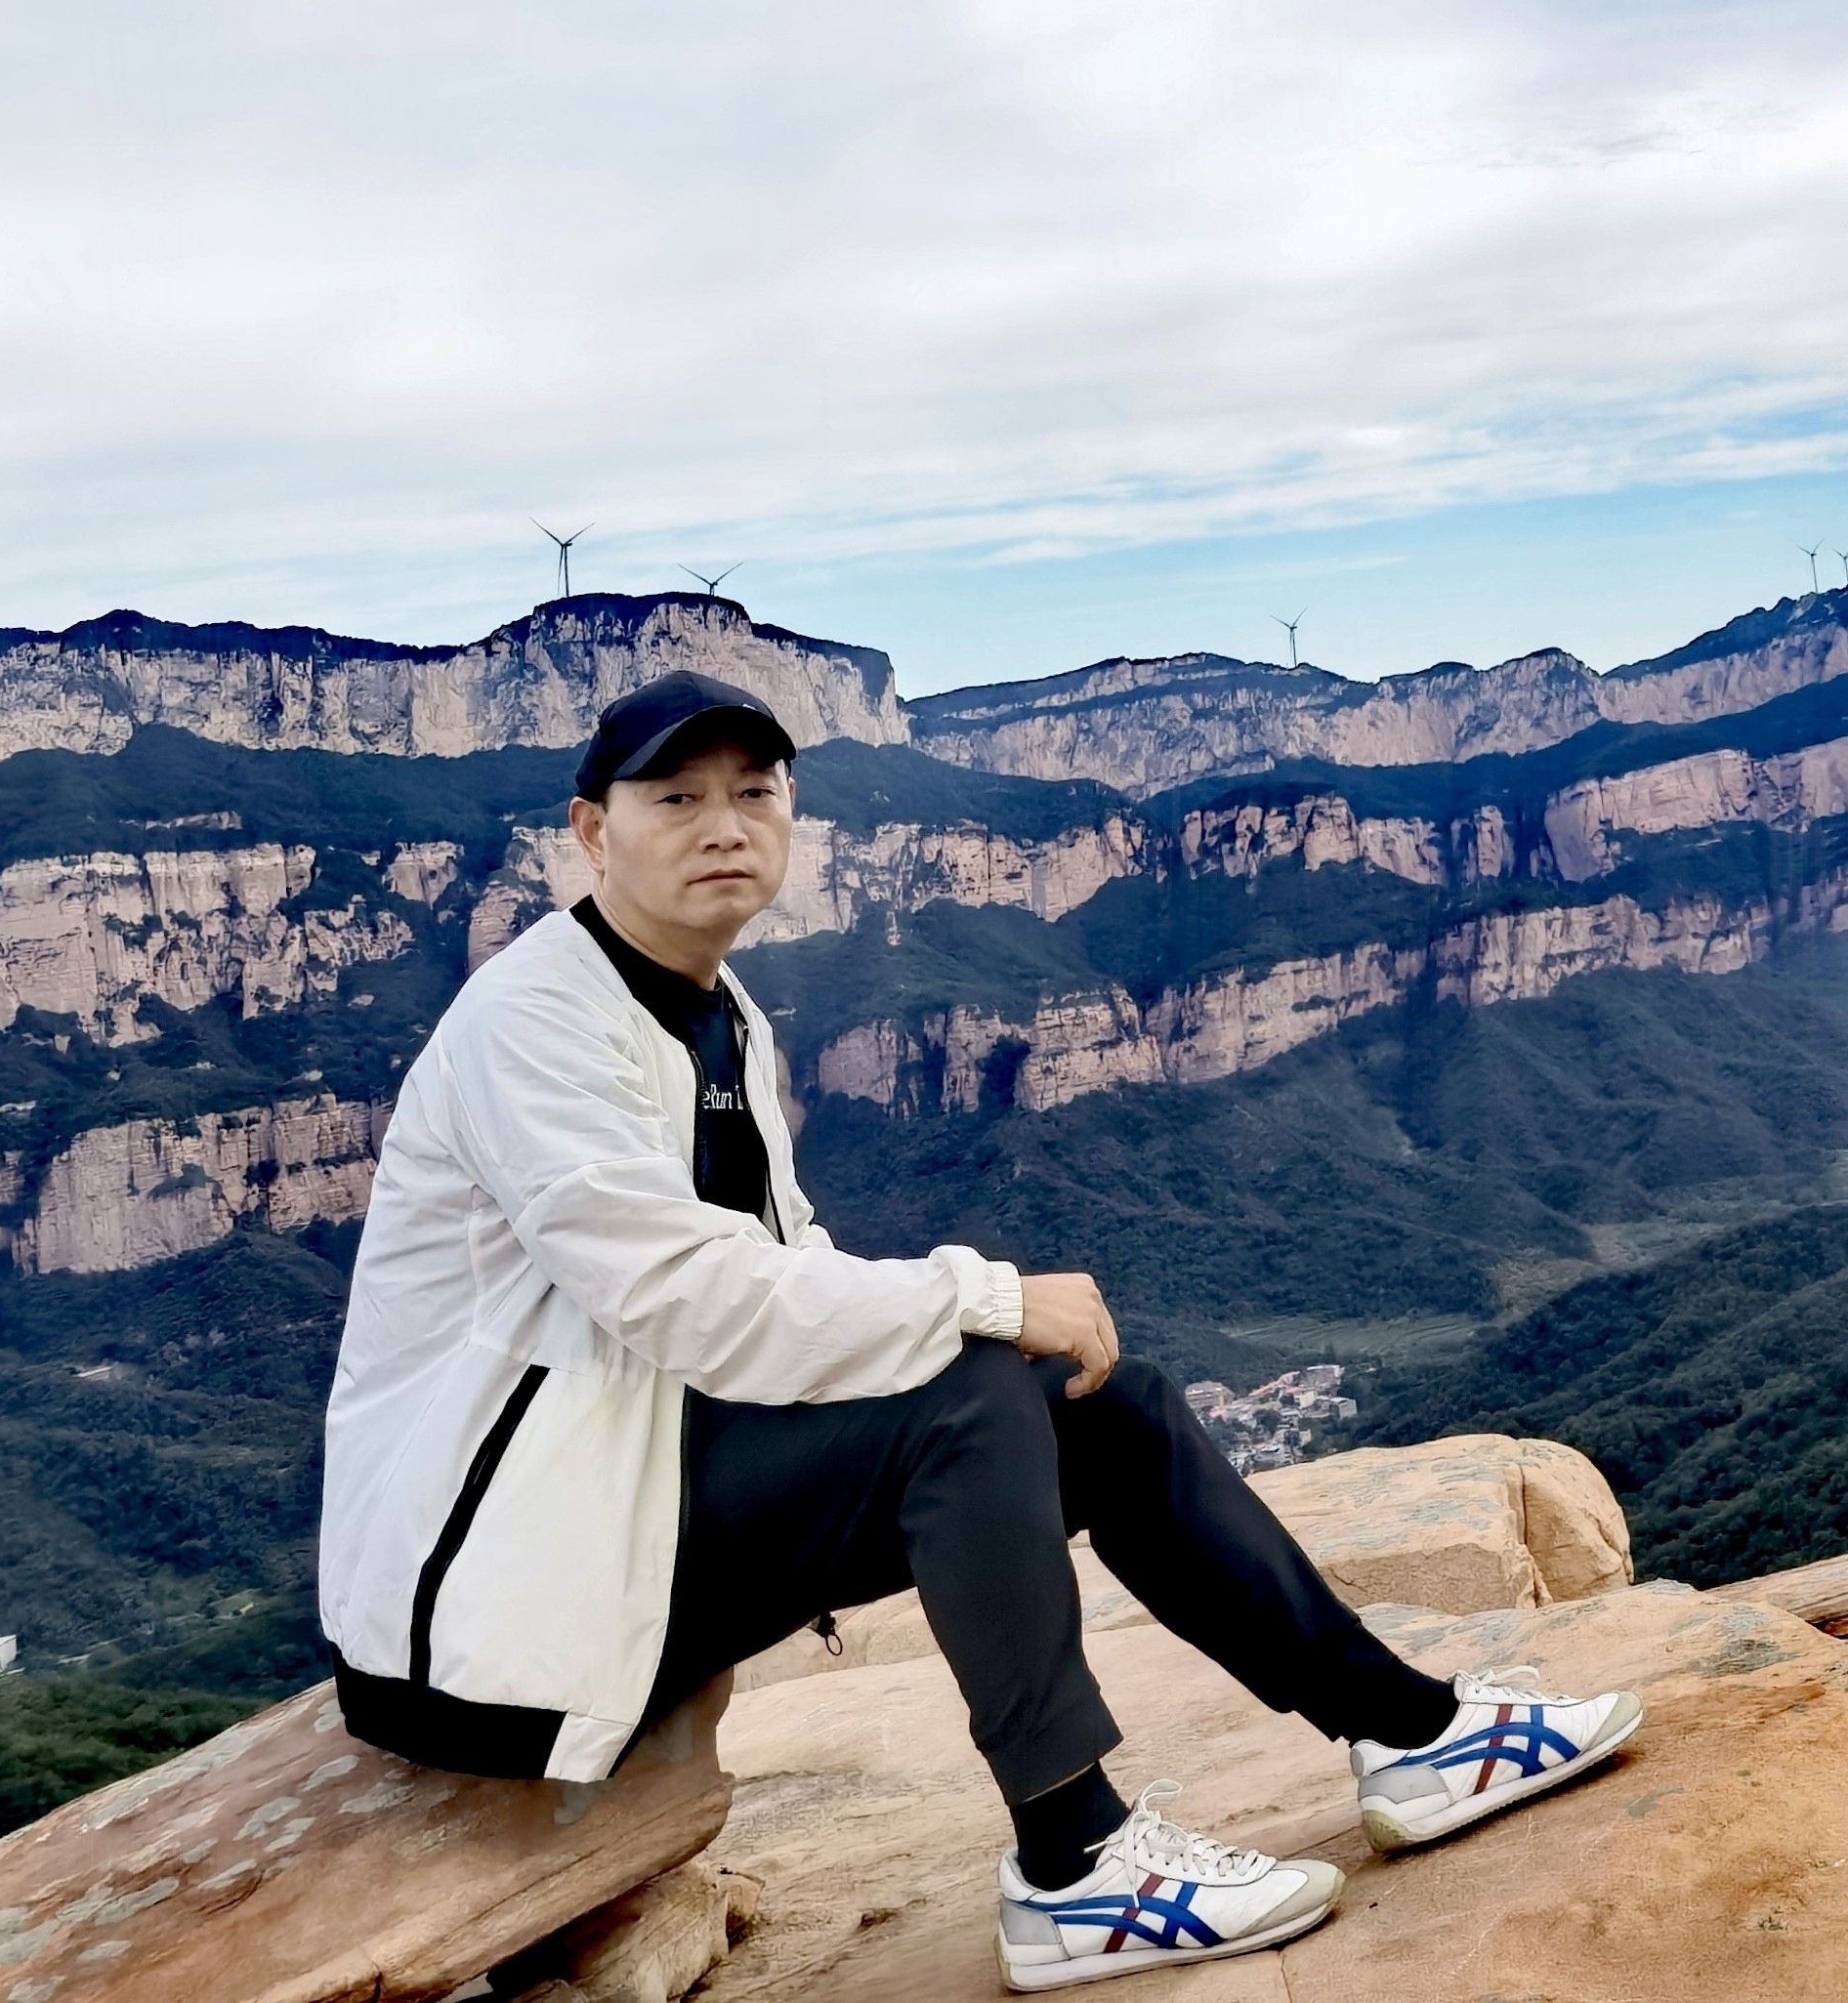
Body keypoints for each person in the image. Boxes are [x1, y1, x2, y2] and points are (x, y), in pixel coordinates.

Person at [318, 669, 1645, 1989]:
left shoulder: (718, 1009)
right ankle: (1074, 1862)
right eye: (676, 798)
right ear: (591, 831)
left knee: (1103, 1405)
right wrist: (983, 1296)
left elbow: (780, 1264)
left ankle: (1407, 1730)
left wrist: (980, 1326)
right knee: (970, 1393)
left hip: (633, 1496)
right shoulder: (535, 1022)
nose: (724, 826)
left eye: (755, 793)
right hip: (490, 1607)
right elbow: (689, 1296)